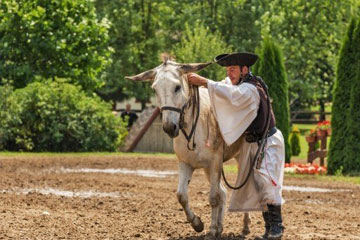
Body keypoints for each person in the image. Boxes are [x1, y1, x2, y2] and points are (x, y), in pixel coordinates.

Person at [187, 52, 285, 240]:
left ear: (244, 70)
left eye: (233, 69)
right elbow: (224, 87)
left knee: (268, 182)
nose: (229, 73)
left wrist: (205, 82)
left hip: (267, 142)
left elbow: (231, 94)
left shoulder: (249, 89)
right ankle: (269, 229)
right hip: (253, 143)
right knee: (259, 185)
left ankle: (277, 228)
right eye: (227, 70)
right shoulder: (239, 85)